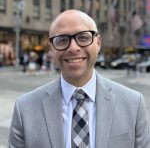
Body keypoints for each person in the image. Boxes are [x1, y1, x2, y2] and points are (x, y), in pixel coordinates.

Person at [9, 10, 150, 148]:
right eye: (62, 40)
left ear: (98, 43)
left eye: (83, 37)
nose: (73, 47)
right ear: (51, 48)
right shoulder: (25, 109)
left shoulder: (133, 104)